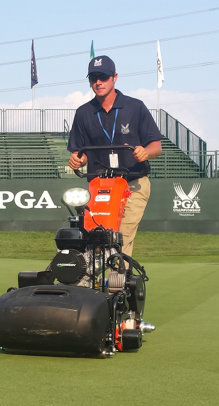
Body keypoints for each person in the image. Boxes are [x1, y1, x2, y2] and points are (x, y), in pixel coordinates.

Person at [68, 55, 162, 257]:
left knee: (121, 236)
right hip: (100, 186)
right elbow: (80, 153)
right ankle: (92, 282)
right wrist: (77, 160)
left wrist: (146, 152)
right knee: (96, 236)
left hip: (133, 183)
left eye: (103, 77)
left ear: (115, 77)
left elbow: (157, 146)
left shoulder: (135, 107)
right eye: (93, 78)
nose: (98, 82)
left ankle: (116, 284)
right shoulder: (83, 112)